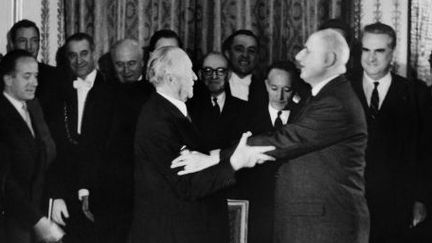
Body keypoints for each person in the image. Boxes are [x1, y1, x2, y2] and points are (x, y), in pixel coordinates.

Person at [176, 29, 370, 243]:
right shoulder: (324, 96)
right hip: (310, 223)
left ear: (329, 59)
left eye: (307, 51)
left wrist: (212, 158)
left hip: (324, 228)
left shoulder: (335, 103)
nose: (298, 56)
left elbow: (281, 141)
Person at [131, 46, 275, 243]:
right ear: (171, 79)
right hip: (170, 233)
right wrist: (234, 163)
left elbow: (197, 157)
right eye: (189, 71)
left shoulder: (171, 111)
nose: (195, 78)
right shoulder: (158, 121)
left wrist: (216, 157)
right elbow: (186, 186)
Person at [349, 22, 430, 243]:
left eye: (379, 51)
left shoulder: (415, 94)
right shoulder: (342, 89)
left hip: (396, 203)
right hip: (349, 202)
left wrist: (420, 199)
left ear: (392, 53)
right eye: (366, 50)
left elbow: (425, 153)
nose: (371, 58)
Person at [231, 60, 307, 243]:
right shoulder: (246, 117)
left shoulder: (305, 119)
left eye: (287, 90)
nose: (280, 96)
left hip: (294, 207)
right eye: (274, 88)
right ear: (266, 85)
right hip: (257, 205)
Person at [48, 33, 114, 243]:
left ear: (94, 53)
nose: (79, 60)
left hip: (102, 191)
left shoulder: (112, 91)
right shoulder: (57, 92)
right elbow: (53, 146)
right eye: (72, 55)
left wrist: (89, 187)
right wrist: (55, 194)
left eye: (84, 53)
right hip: (66, 190)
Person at [90, 38, 153, 243]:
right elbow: (91, 145)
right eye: (119, 64)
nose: (126, 70)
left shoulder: (155, 94)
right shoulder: (101, 93)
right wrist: (86, 188)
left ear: (143, 62)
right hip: (109, 192)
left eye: (131, 63)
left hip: (145, 191)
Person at [0, 50, 64, 243]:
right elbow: (5, 182)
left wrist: (53, 200)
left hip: (31, 218)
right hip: (10, 223)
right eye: (26, 76)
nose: (35, 82)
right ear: (8, 79)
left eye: (35, 76)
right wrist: (39, 221)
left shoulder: (31, 108)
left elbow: (43, 160)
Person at [188, 51, 247, 151]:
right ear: (200, 74)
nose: (214, 76)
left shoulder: (245, 110)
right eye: (208, 70)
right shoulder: (189, 107)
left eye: (220, 71)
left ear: (229, 75)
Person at [8, 19, 62, 122]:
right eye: (22, 41)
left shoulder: (54, 77)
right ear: (12, 44)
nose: (29, 47)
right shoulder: (3, 76)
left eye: (34, 40)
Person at [222, 29, 266, 107]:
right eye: (239, 49)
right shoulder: (216, 84)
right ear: (228, 54)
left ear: (257, 57)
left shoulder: (266, 88)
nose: (245, 55)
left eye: (251, 51)